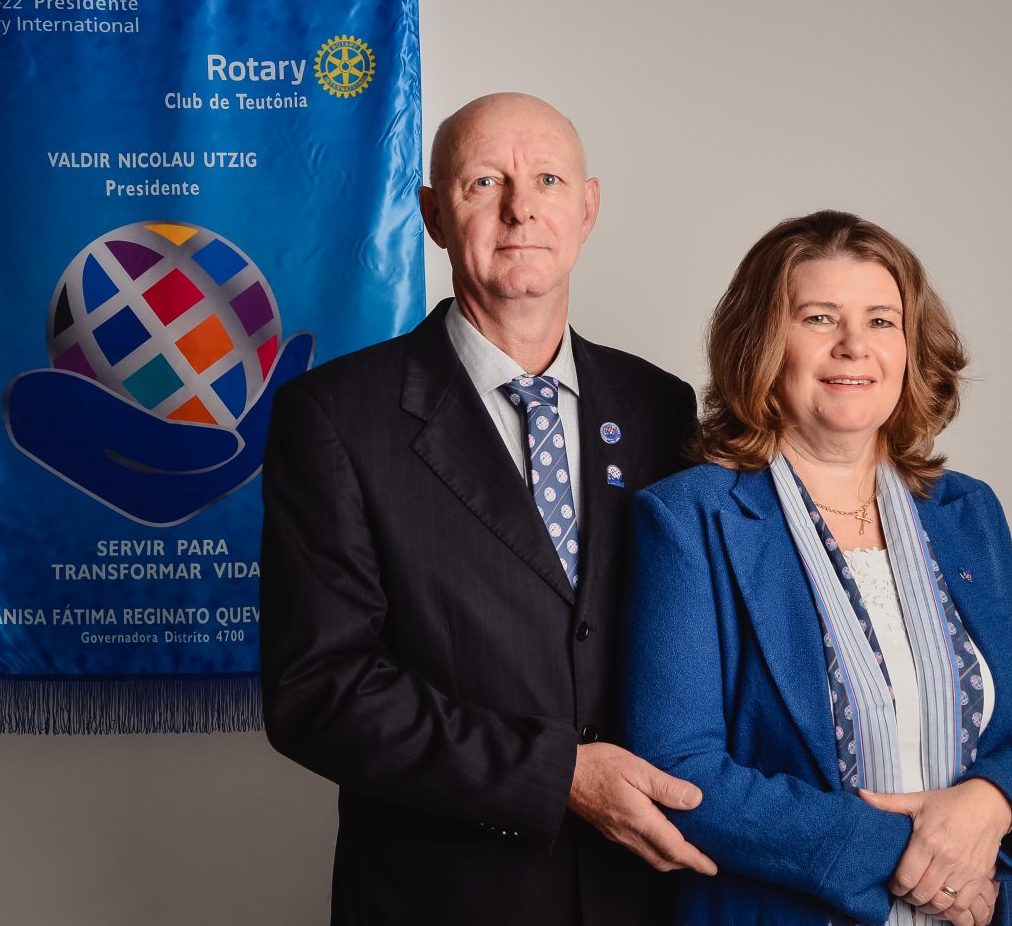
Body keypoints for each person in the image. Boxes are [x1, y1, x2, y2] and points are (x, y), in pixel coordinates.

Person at [261, 92, 715, 926]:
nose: (520, 208)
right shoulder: (333, 417)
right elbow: (319, 690)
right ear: (434, 214)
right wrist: (557, 775)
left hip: (639, 893)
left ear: (588, 208)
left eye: (548, 179)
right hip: (442, 896)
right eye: (483, 182)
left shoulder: (661, 406)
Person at [625, 210, 1012, 926]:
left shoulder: (968, 512)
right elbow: (679, 767)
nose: (854, 346)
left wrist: (990, 806)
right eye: (819, 318)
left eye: (880, 321)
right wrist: (924, 860)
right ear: (762, 345)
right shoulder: (689, 518)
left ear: (910, 346)